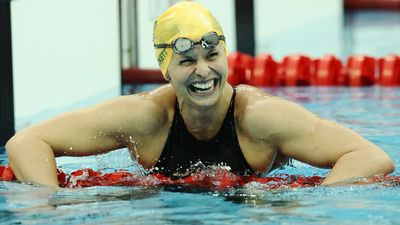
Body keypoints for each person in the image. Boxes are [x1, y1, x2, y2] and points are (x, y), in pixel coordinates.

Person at [5, 1, 394, 188]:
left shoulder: (260, 117)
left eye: (212, 55)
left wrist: (309, 208)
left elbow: (370, 157)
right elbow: (27, 142)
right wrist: (48, 209)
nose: (204, 71)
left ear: (226, 56)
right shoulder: (145, 118)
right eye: (187, 61)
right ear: (165, 69)